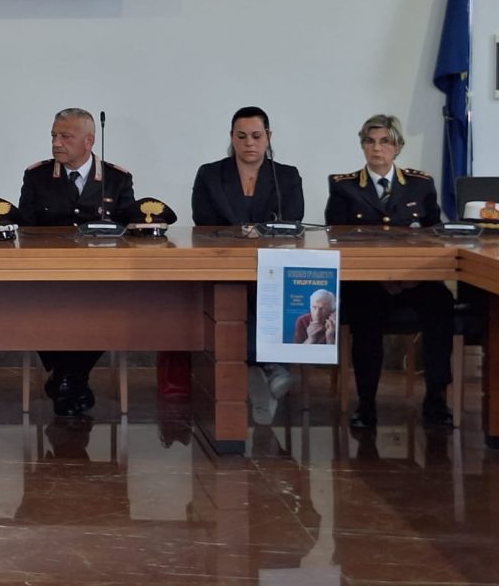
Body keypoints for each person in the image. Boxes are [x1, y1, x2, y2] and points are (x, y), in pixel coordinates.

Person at [324, 114, 454, 429]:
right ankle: (366, 404)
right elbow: (336, 240)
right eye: (370, 141)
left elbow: (433, 237)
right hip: (368, 283)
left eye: (385, 141)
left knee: (442, 306)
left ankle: (436, 399)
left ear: (397, 147)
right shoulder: (344, 187)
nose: (377, 148)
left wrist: (413, 276)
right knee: (365, 315)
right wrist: (380, 276)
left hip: (415, 280)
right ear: (362, 146)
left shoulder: (420, 185)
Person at [19, 108, 137, 416]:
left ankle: (67, 377)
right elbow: (25, 230)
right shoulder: (37, 176)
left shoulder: (117, 179)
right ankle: (72, 379)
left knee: (107, 311)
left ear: (89, 141)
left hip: (100, 278)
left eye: (65, 137)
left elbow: (128, 231)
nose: (56, 143)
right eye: (53, 136)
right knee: (37, 307)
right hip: (48, 278)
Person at [191, 106, 304, 425]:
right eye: (241, 136)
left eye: (256, 136)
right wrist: (240, 234)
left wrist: (262, 234)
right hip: (225, 263)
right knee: (238, 290)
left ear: (268, 137)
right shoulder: (210, 174)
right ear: (231, 138)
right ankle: (270, 367)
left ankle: (259, 368)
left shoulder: (286, 176)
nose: (249, 143)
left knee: (270, 288)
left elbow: (294, 219)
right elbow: (203, 221)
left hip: (271, 264)